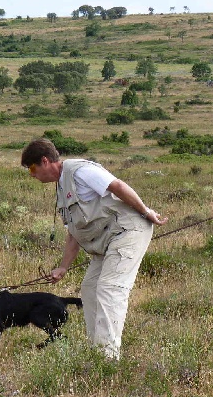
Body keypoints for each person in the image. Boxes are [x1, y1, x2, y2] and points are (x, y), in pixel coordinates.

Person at [21, 138, 168, 359]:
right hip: (104, 242)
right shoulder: (61, 187)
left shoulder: (80, 171)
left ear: (45, 161)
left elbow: (117, 186)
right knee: (89, 288)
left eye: (32, 168)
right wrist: (63, 267)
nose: (32, 174)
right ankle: (97, 350)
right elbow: (74, 232)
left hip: (127, 231)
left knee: (110, 288)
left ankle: (107, 358)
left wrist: (146, 212)